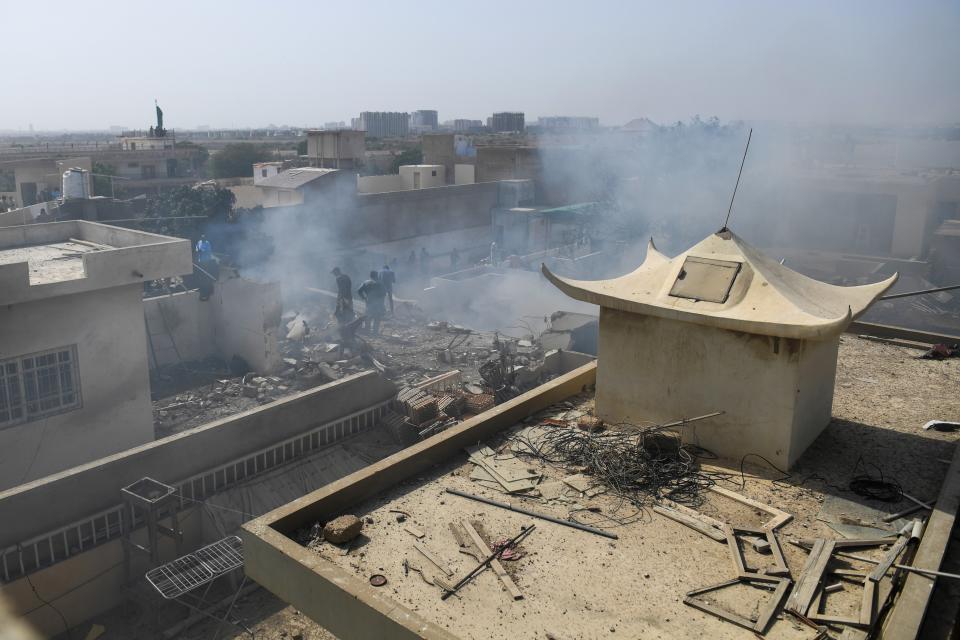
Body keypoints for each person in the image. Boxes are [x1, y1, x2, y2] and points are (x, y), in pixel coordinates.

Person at [357, 271, 386, 335]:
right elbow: (384, 293)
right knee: (377, 318)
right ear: (377, 275)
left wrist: (364, 298)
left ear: (370, 276)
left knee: (368, 317)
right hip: (378, 303)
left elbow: (359, 290)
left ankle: (367, 331)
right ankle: (375, 332)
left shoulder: (366, 282)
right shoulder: (380, 283)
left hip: (369, 302)